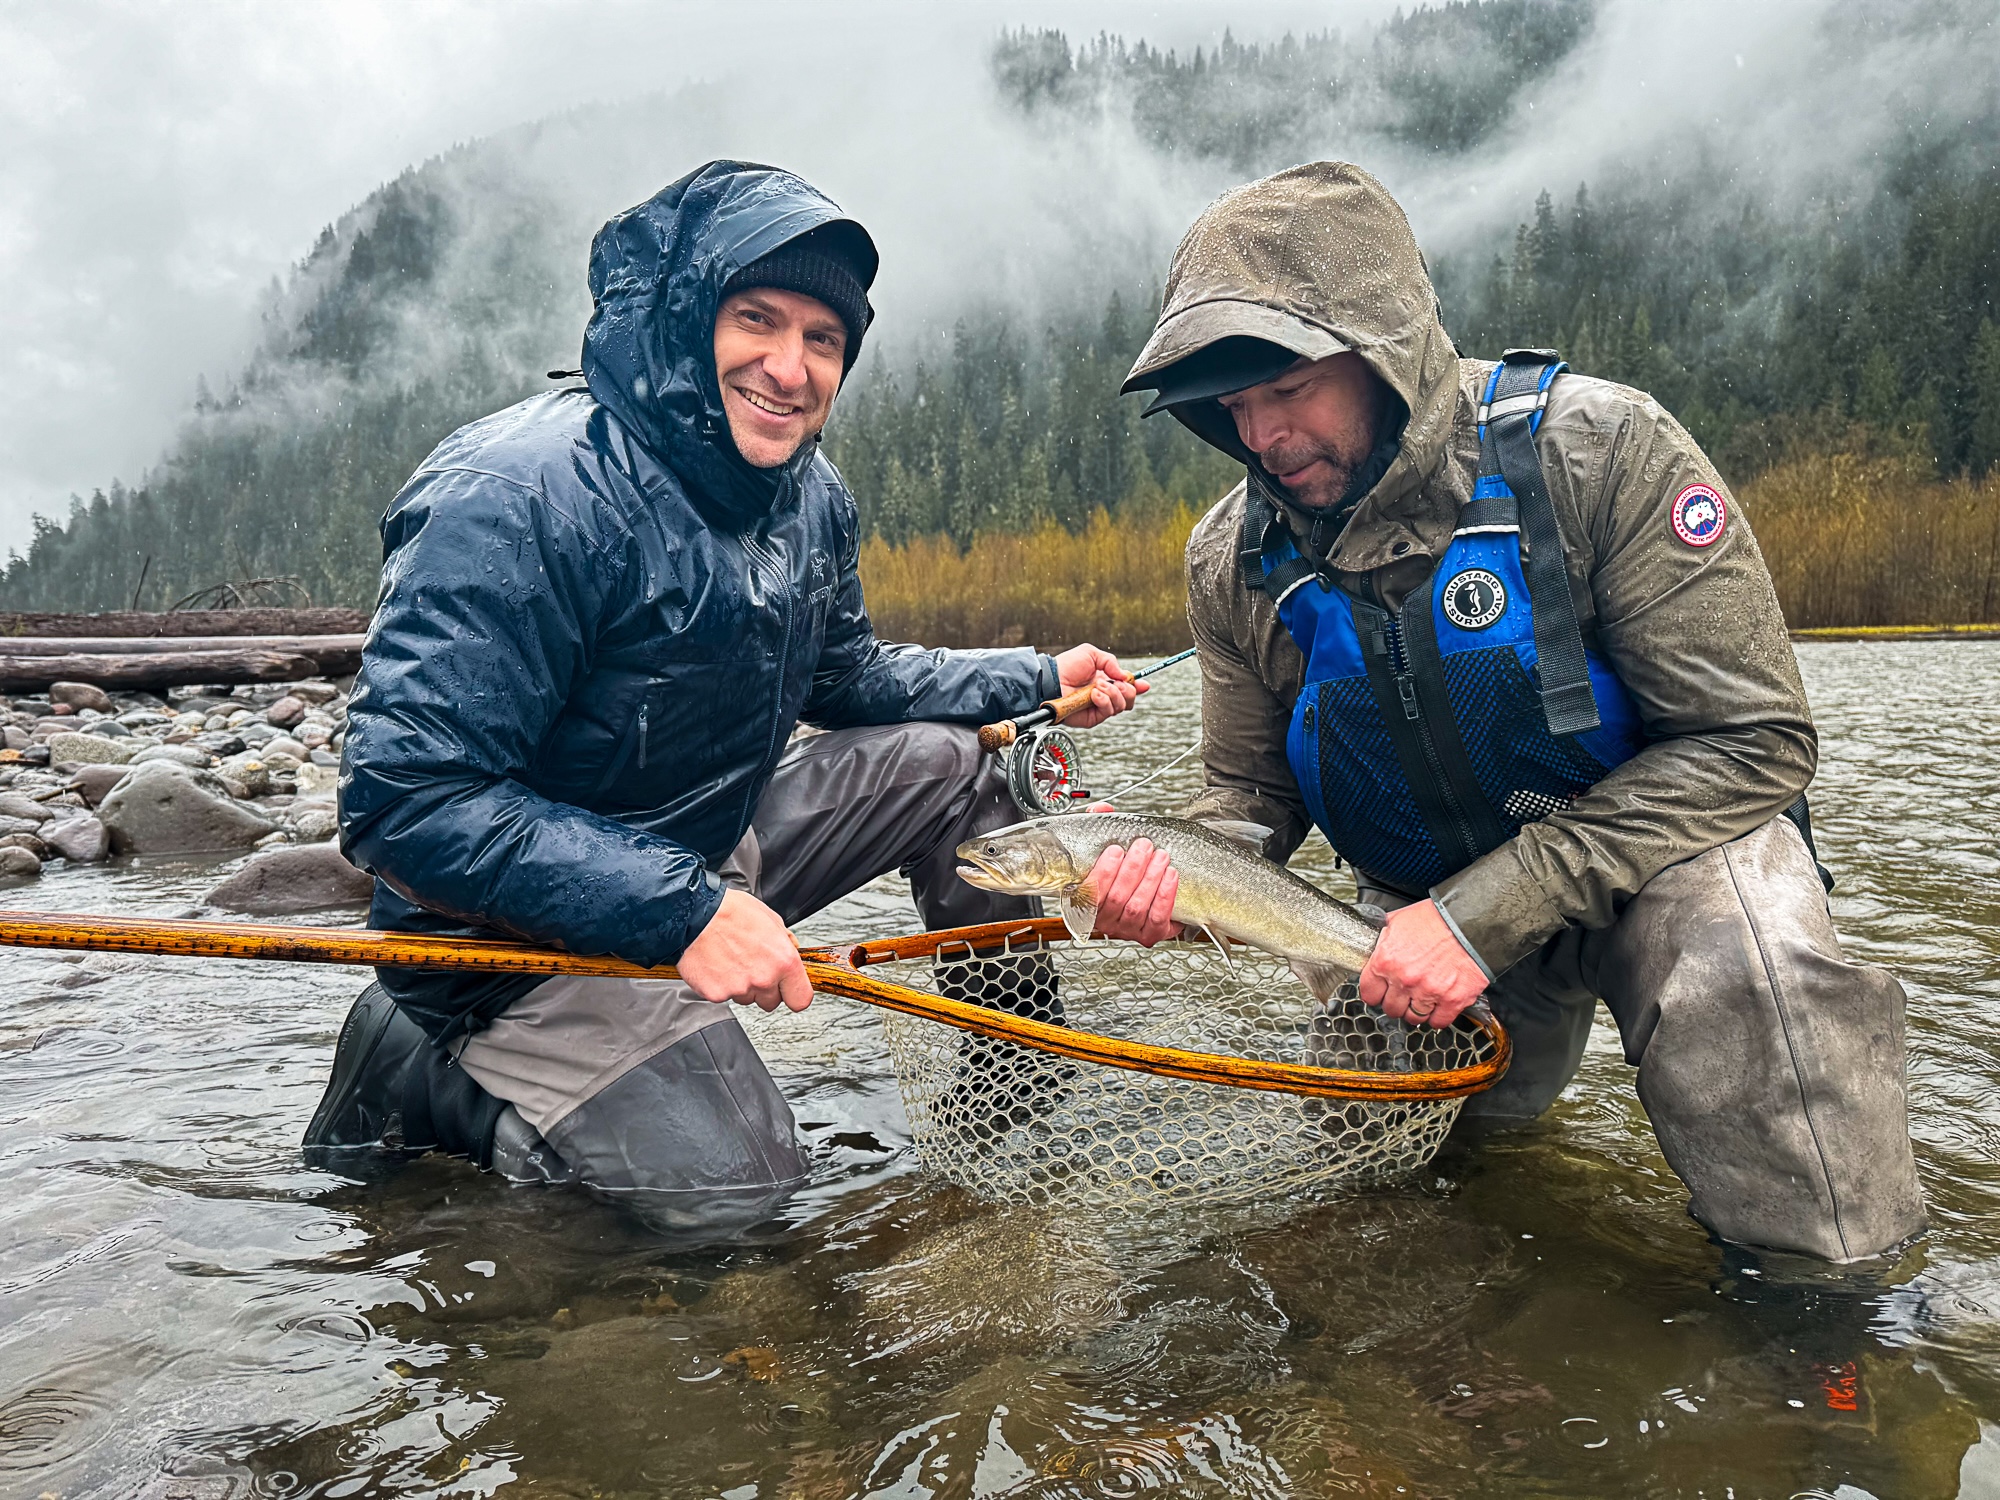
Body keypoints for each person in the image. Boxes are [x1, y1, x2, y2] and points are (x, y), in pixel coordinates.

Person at [1092, 160, 1924, 1263]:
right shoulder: (1229, 559)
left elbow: (1752, 742)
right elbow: (1251, 792)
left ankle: (1835, 1307)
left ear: (1383, 350)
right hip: (1406, 922)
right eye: (1231, 408)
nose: (1262, 436)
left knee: (1747, 967)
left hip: (1659, 868)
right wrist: (1175, 869)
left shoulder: (1603, 451)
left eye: (1286, 389)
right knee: (1380, 1199)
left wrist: (1484, 915)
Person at [304, 160, 1141, 1231]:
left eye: (823, 340)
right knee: (740, 1206)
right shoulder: (516, 492)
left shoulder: (809, 497)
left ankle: (1012, 1090)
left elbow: (849, 678)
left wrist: (1033, 678)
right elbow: (406, 803)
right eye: (757, 320)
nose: (790, 369)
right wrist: (685, 911)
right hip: (508, 951)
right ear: (682, 318)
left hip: (696, 854)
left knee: (954, 764)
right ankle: (433, 1066)